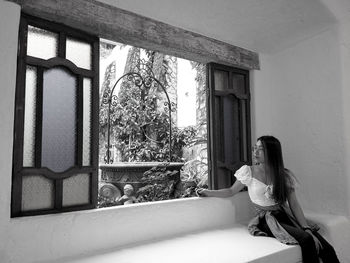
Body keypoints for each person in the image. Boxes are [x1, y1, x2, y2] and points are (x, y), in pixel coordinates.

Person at [197, 135, 340, 263]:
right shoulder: (248, 171)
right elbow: (230, 191)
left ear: (271, 152)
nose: (255, 152)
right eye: (255, 148)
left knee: (326, 247)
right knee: (307, 239)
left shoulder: (284, 175)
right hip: (266, 219)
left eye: (260, 149)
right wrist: (208, 192)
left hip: (284, 215)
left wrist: (306, 228)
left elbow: (294, 204)